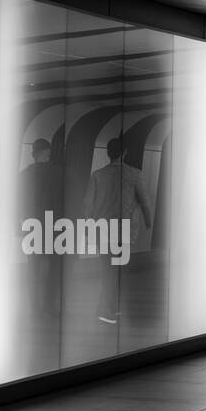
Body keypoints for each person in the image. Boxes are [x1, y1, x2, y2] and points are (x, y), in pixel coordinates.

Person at [82, 135, 153, 325]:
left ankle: (108, 307)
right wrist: (148, 221)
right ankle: (107, 309)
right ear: (124, 153)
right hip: (125, 231)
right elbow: (145, 201)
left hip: (103, 229)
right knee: (115, 269)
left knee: (109, 269)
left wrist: (88, 227)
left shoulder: (97, 175)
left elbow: (88, 203)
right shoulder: (135, 174)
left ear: (108, 153)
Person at [19, 137, 61, 317]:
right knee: (53, 270)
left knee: (33, 270)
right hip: (54, 227)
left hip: (31, 228)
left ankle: (35, 309)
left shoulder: (24, 175)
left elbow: (18, 202)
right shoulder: (58, 173)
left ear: (33, 154)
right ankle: (50, 307)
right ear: (48, 153)